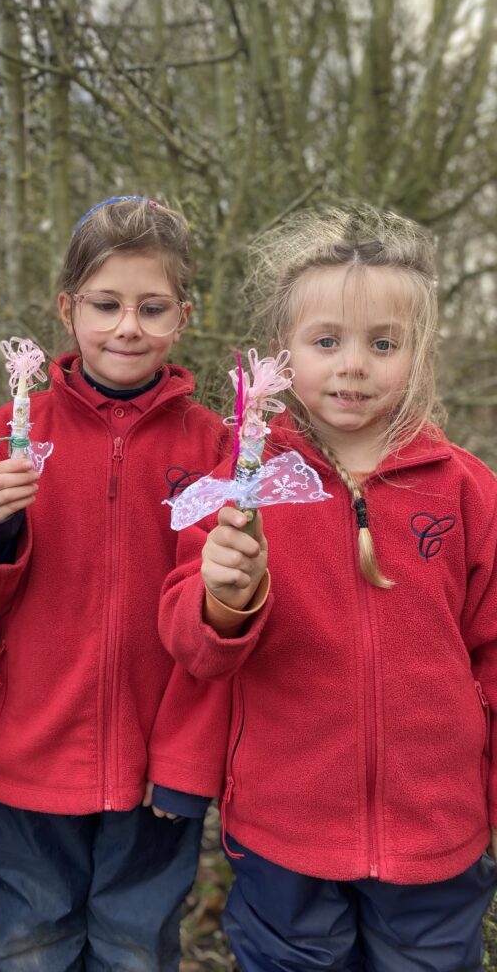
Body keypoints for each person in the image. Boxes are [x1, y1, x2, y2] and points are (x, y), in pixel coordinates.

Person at [158, 203, 497, 971]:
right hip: (287, 829)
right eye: (326, 342)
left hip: (437, 833)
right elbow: (190, 642)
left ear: (418, 353)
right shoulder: (241, 484)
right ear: (284, 354)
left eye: (382, 344)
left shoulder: (469, 492)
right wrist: (224, 594)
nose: (352, 365)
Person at [0, 196, 233, 971]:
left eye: (152, 307)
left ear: (185, 315)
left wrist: (186, 763)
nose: (127, 327)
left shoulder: (214, 446)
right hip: (30, 750)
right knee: (31, 946)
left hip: (156, 765)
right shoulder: (16, 432)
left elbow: (214, 624)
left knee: (136, 949)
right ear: (69, 309)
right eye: (106, 305)